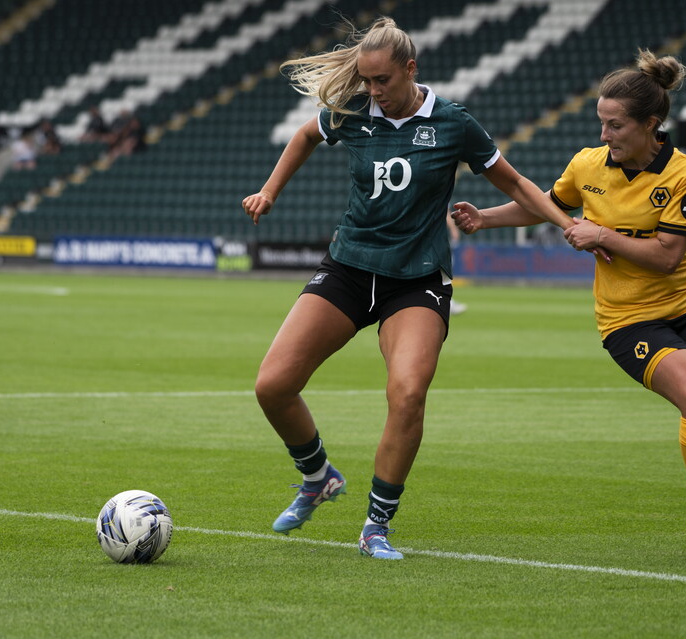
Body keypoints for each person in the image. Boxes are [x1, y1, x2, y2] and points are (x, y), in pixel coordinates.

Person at [241, 17, 577, 559]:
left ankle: (376, 524)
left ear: (410, 69)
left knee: (408, 393)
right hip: (350, 267)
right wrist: (269, 191)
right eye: (367, 81)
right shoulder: (350, 111)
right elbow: (305, 135)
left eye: (383, 81)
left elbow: (514, 182)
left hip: (417, 279)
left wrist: (568, 226)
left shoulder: (452, 122)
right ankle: (318, 477)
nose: (374, 92)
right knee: (272, 385)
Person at [451, 49, 686, 563]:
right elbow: (547, 205)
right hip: (627, 320)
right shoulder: (587, 164)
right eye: (601, 123)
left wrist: (602, 233)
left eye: (616, 126)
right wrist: (484, 218)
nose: (605, 135)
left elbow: (667, 258)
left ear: (651, 124)